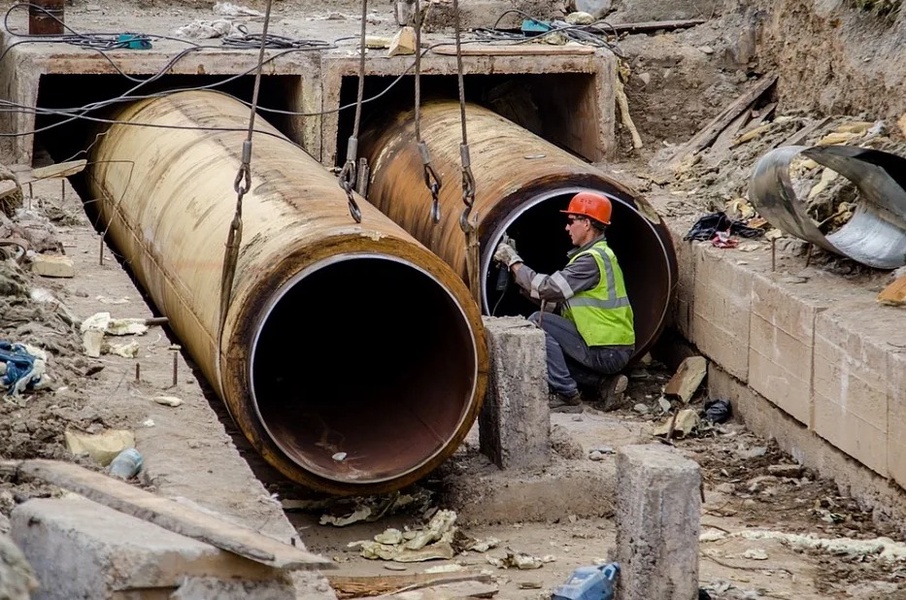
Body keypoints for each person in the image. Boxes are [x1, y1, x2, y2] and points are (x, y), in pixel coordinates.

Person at [493, 192, 635, 413]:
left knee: (537, 324)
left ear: (586, 223)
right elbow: (559, 304)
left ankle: (567, 394)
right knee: (547, 336)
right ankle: (603, 384)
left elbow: (549, 289)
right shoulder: (598, 255)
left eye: (571, 221)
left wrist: (514, 262)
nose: (567, 228)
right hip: (611, 348)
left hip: (607, 350)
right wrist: (521, 282)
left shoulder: (590, 260)